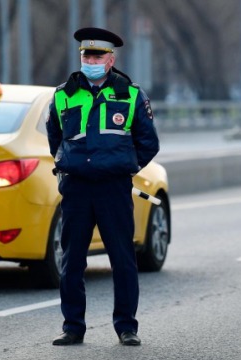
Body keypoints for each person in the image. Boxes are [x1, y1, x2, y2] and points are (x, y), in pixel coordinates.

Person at [46, 27, 160, 346]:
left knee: (122, 259)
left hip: (113, 188)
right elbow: (55, 137)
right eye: (86, 55)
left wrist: (123, 166)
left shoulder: (130, 94)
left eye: (97, 56)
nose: (90, 60)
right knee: (71, 261)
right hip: (77, 189)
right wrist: (66, 167)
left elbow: (148, 143)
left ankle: (126, 327)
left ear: (111, 59)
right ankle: (72, 327)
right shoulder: (64, 94)